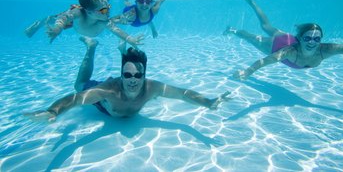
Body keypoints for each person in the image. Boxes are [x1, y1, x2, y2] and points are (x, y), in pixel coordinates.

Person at [24, 37, 230, 122]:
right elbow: (75, 99)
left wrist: (208, 102)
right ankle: (91, 47)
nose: (133, 79)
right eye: (128, 75)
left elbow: (183, 94)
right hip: (104, 106)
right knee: (79, 84)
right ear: (122, 75)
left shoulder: (152, 88)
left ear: (145, 75)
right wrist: (53, 111)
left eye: (138, 75)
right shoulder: (109, 92)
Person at [224, 0, 343, 80]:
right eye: (308, 38)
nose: (312, 42)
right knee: (256, 34)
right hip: (278, 43)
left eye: (316, 39)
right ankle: (234, 28)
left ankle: (249, 5)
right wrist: (247, 72)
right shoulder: (288, 52)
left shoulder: (327, 49)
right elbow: (264, 62)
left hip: (288, 38)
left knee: (266, 27)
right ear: (300, 38)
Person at [24, 0, 143, 48]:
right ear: (88, 12)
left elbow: (116, 30)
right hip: (76, 23)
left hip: (92, 18)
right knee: (53, 18)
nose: (108, 12)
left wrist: (131, 40)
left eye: (109, 7)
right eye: (104, 10)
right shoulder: (79, 13)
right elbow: (64, 17)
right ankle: (38, 24)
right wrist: (57, 28)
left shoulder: (103, 19)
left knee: (104, 10)